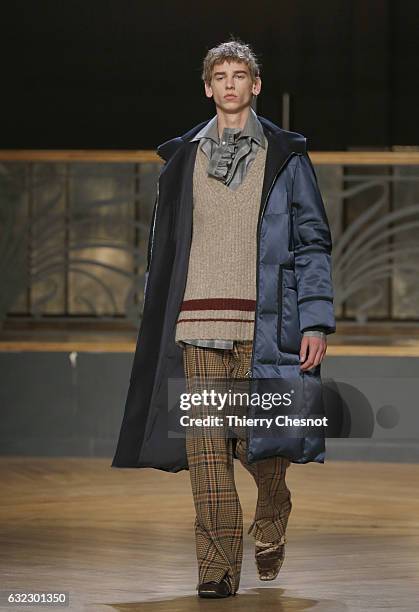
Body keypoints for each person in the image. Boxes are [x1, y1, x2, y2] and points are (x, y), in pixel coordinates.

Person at [112, 38, 336, 599]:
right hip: (196, 324)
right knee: (206, 449)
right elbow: (165, 248)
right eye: (221, 76)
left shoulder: (286, 157)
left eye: (241, 75)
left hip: (266, 325)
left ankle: (274, 505)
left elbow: (311, 242)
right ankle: (216, 568)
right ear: (208, 87)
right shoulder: (182, 157)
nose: (231, 84)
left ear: (255, 86)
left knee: (262, 442)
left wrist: (315, 322)